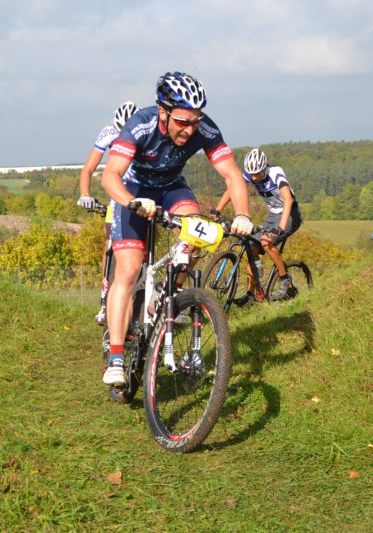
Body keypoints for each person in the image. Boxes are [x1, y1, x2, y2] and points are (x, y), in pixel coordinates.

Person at [99, 71, 253, 386]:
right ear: (163, 112)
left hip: (172, 189)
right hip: (134, 190)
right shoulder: (140, 125)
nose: (189, 129)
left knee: (197, 234)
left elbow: (232, 175)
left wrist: (243, 214)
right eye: (182, 121)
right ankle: (116, 356)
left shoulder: (205, 128)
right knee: (128, 270)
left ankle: (164, 297)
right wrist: (131, 202)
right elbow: (110, 175)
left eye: (195, 121)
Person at [76, 101, 140, 325]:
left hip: (139, 192)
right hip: (117, 193)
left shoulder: (144, 133)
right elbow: (88, 168)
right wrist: (85, 193)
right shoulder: (108, 133)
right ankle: (105, 300)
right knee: (109, 244)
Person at [212, 148, 303, 304]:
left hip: (290, 215)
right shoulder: (250, 174)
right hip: (273, 215)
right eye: (251, 174)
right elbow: (233, 189)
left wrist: (280, 228)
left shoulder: (276, 173)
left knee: (266, 241)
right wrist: (218, 209)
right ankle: (251, 295)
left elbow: (288, 199)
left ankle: (284, 278)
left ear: (264, 167)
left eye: (257, 174)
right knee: (251, 247)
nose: (254, 178)